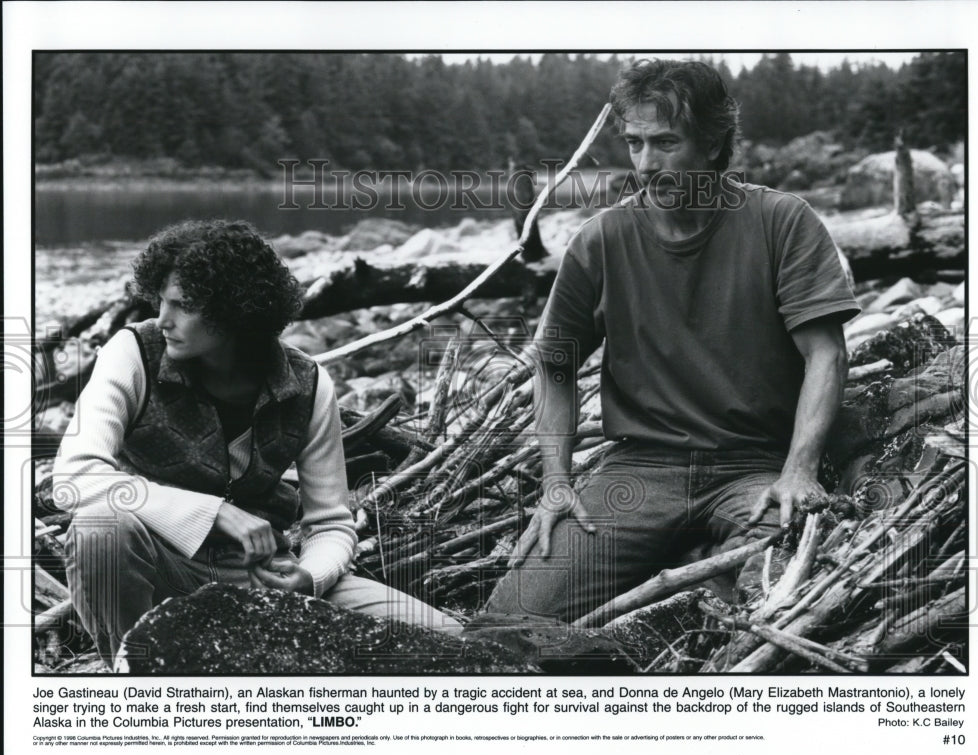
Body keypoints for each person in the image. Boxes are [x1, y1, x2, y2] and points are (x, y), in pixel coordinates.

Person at [486, 59, 860, 623]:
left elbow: (825, 352)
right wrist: (557, 484)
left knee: (771, 601)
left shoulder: (781, 221)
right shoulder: (602, 239)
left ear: (713, 144)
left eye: (665, 142)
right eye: (634, 143)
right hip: (638, 471)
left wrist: (800, 469)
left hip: (755, 467)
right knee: (508, 628)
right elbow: (554, 363)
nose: (645, 163)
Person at [55, 219, 460, 666]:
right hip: (163, 571)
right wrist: (214, 514)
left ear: (235, 311)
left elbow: (330, 523)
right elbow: (74, 478)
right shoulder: (132, 353)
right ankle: (135, 686)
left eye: (183, 306)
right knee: (101, 527)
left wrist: (310, 576)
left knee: (449, 637)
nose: (164, 319)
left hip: (264, 579)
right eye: (161, 302)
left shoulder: (308, 384)